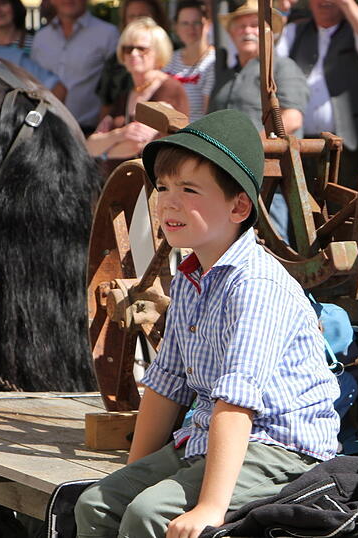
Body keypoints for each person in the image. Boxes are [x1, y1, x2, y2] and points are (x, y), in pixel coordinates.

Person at [73, 108, 340, 538]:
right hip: (206, 439)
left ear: (239, 206)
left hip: (280, 450)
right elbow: (165, 384)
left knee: (149, 516)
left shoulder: (255, 285)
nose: (168, 201)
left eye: (190, 189)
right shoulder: (190, 279)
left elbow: (237, 406)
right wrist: (131, 476)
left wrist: (211, 507)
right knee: (97, 504)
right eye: (162, 187)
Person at [275, 0, 358, 185]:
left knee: (346, 207)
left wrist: (347, 4)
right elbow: (272, 62)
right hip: (299, 143)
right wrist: (280, 12)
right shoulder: (294, 32)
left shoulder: (356, 30)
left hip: (348, 145)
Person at [85, 17, 188, 162]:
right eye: (128, 49)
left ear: (158, 52)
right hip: (121, 181)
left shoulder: (170, 90)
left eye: (142, 48)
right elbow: (90, 146)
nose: (133, 54)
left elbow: (139, 143)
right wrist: (121, 134)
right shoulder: (125, 95)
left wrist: (105, 151)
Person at [208, 0, 308, 136]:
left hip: (268, 156)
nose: (247, 31)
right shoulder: (226, 75)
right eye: (241, 26)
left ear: (269, 33)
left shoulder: (284, 67)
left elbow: (292, 119)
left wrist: (254, 148)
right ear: (231, 34)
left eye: (255, 25)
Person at [31, 0, 119, 134]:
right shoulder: (41, 38)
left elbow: (114, 87)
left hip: (89, 133)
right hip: (45, 131)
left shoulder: (108, 34)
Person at [96, 0, 170, 123]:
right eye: (132, 16)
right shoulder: (115, 62)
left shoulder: (169, 86)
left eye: (142, 16)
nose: (134, 54)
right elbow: (106, 106)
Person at [163, 0, 215, 121]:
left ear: (207, 24)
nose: (190, 28)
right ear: (176, 27)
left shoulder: (213, 62)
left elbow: (208, 114)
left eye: (196, 22)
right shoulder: (168, 59)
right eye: (185, 23)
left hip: (194, 135)